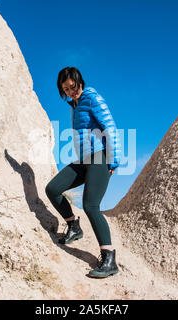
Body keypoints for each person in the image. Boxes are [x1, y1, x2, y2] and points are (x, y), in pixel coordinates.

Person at [45, 67, 121, 278]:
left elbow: (110, 127)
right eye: (66, 89)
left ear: (80, 82)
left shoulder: (91, 97)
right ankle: (73, 226)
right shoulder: (74, 105)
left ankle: (109, 258)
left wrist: (114, 159)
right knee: (53, 188)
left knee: (90, 204)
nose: (71, 91)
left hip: (100, 156)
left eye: (74, 86)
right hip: (83, 160)